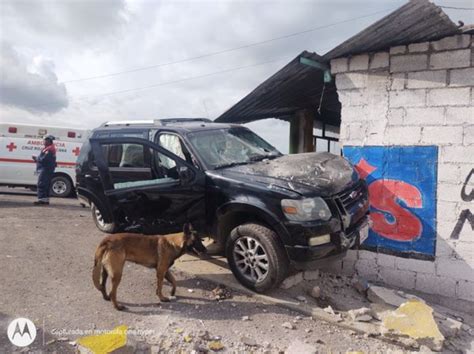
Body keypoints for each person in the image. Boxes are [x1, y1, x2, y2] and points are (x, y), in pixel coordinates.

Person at [32, 135, 57, 205]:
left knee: (42, 184)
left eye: (45, 140)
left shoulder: (49, 149)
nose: (44, 142)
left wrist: (36, 159)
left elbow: (44, 159)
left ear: (49, 141)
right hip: (46, 169)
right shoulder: (48, 148)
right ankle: (45, 200)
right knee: (46, 184)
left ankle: (42, 200)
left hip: (45, 169)